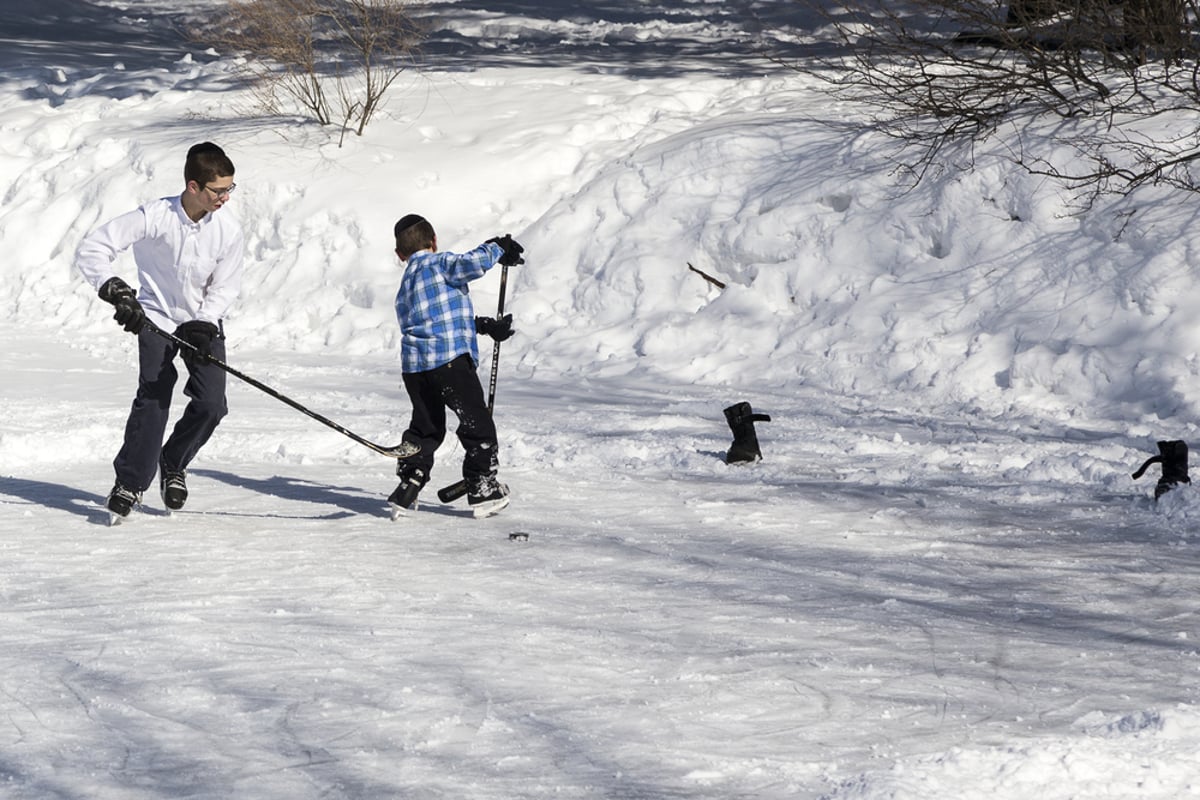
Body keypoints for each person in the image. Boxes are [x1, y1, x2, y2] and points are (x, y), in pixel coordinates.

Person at [76, 141, 245, 520]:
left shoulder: (229, 230)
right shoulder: (154, 216)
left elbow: (227, 285)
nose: (225, 198)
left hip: (203, 321)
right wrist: (116, 291)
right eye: (219, 190)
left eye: (230, 189)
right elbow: (93, 249)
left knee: (211, 404)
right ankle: (131, 482)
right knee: (153, 396)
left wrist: (205, 320)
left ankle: (173, 460)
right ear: (193, 186)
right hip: (155, 317)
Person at [389, 213, 524, 518]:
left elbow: (432, 322)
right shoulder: (439, 263)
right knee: (477, 424)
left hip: (416, 369)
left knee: (426, 428)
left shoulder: (406, 285)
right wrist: (496, 247)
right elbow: (471, 264)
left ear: (400, 255)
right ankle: (482, 487)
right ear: (434, 241)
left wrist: (483, 326)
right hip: (450, 364)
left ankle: (410, 481)